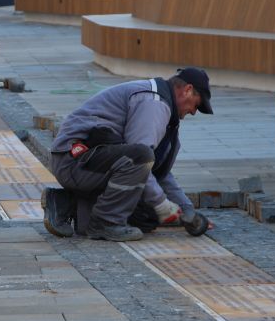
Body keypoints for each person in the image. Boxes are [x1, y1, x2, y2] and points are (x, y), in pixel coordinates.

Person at [41, 67, 214, 242]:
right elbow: (140, 158)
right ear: (187, 90)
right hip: (73, 160)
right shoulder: (154, 103)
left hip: (91, 162)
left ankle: (67, 204)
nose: (193, 111)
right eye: (196, 105)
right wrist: (161, 203)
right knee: (141, 158)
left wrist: (187, 211)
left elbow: (158, 172)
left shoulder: (163, 106)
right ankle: (105, 222)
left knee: (146, 217)